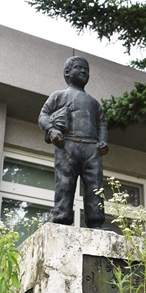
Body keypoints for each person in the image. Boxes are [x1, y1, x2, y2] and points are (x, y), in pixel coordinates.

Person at [38, 56, 109, 229]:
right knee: (64, 182)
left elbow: (101, 123)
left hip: (91, 148)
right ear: (67, 72)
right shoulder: (59, 96)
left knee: (95, 186)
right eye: (79, 67)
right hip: (67, 144)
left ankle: (95, 222)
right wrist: (52, 130)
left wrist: (103, 141)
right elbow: (43, 115)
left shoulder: (94, 103)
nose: (84, 71)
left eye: (87, 70)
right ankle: (62, 219)